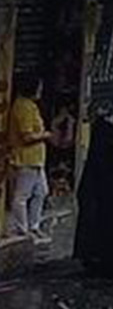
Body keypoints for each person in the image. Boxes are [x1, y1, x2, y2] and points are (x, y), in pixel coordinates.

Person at [7, 73, 52, 245]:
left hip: (36, 159)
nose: (41, 90)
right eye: (39, 87)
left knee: (41, 192)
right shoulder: (23, 107)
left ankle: (34, 226)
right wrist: (45, 135)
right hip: (27, 158)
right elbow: (26, 136)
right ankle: (23, 228)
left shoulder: (29, 105)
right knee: (22, 195)